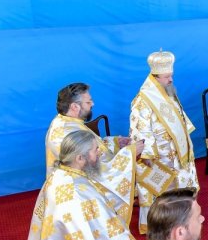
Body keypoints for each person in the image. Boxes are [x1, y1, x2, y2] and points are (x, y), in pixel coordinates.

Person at [45, 82, 140, 223]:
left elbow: (93, 147)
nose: (93, 104)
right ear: (74, 106)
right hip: (79, 191)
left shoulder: (70, 122)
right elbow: (94, 168)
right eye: (88, 101)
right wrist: (129, 154)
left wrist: (115, 143)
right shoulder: (64, 132)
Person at [131, 51, 198, 234]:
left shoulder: (168, 93)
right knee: (161, 190)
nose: (170, 80)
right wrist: (146, 154)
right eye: (167, 76)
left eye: (171, 76)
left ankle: (180, 218)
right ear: (155, 77)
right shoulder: (142, 101)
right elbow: (140, 128)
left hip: (177, 152)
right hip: (158, 156)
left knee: (180, 186)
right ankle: (160, 224)